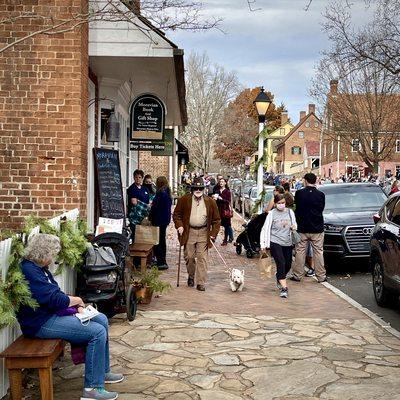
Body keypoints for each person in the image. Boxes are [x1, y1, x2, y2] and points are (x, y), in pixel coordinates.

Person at [16, 234, 122, 400]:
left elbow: (55, 294)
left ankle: (102, 371)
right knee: (97, 332)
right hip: (39, 323)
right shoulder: (30, 271)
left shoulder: (38, 269)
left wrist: (75, 305)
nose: (53, 259)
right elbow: (54, 299)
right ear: (43, 253)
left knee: (101, 319)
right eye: (52, 255)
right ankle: (92, 389)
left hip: (49, 315)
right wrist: (78, 300)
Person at [173, 177, 220, 291]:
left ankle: (200, 282)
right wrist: (179, 225)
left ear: (203, 189)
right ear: (192, 189)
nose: (198, 190)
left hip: (204, 232)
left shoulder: (210, 201)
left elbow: (216, 220)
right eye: (196, 188)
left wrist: (213, 234)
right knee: (189, 257)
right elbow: (176, 215)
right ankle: (191, 275)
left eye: (200, 188)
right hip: (189, 231)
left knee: (202, 258)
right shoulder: (184, 200)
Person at [290, 173, 326, 283]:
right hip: (317, 227)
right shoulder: (321, 195)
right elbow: (321, 209)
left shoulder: (299, 193)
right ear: (315, 181)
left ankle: (297, 275)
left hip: (302, 227)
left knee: (300, 251)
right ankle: (321, 276)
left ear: (305, 181)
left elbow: (297, 208)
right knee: (318, 252)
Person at [260, 194, 297, 298]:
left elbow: (294, 224)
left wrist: (294, 227)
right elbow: (265, 229)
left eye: (283, 203)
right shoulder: (271, 214)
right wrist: (263, 244)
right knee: (281, 262)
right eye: (279, 203)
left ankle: (279, 276)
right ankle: (284, 288)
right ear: (275, 204)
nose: (281, 205)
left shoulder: (290, 212)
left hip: (287, 241)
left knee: (288, 264)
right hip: (275, 241)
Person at [149, 176, 173, 270]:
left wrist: (151, 216)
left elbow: (155, 208)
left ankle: (161, 261)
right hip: (164, 220)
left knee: (157, 241)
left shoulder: (160, 194)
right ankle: (162, 260)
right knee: (162, 240)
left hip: (158, 220)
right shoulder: (167, 193)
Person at [127, 169, 150, 241]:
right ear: (134, 178)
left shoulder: (145, 189)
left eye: (140, 177)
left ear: (142, 178)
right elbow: (134, 202)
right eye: (136, 177)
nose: (138, 179)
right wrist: (147, 206)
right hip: (135, 216)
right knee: (135, 236)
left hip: (144, 216)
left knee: (143, 236)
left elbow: (148, 200)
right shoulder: (132, 188)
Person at [213, 177, 234, 245]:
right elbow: (215, 201)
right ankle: (214, 237)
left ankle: (225, 239)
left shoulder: (227, 192)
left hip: (225, 211)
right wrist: (214, 198)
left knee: (227, 226)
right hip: (218, 210)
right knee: (216, 224)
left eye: (222, 182)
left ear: (225, 183)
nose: (221, 183)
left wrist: (221, 199)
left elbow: (228, 201)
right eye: (220, 182)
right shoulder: (217, 191)